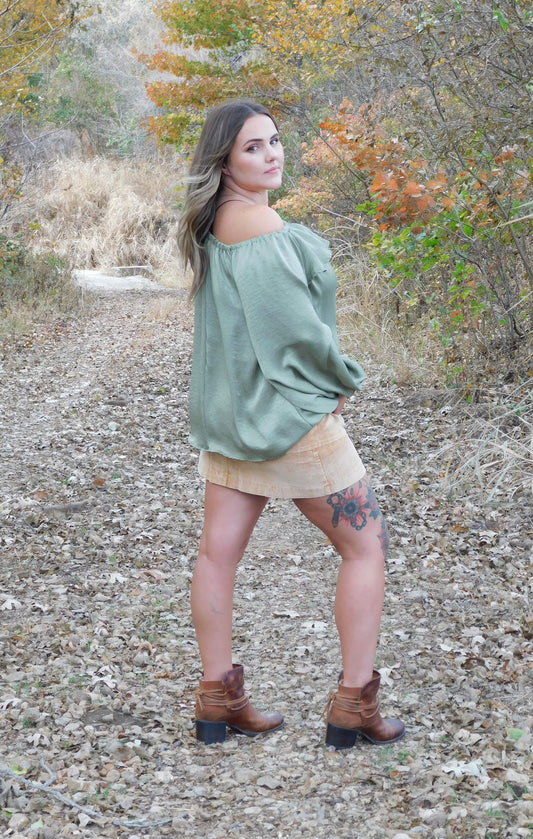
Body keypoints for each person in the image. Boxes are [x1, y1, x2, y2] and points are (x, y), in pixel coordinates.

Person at [177, 99, 404, 749]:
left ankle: (217, 699)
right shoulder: (261, 224)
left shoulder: (214, 223)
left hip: (230, 415)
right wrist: (338, 381)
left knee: (216, 554)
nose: (272, 154)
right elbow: (295, 332)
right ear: (223, 160)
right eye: (252, 147)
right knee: (365, 545)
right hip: (287, 416)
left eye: (274, 140)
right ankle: (352, 704)